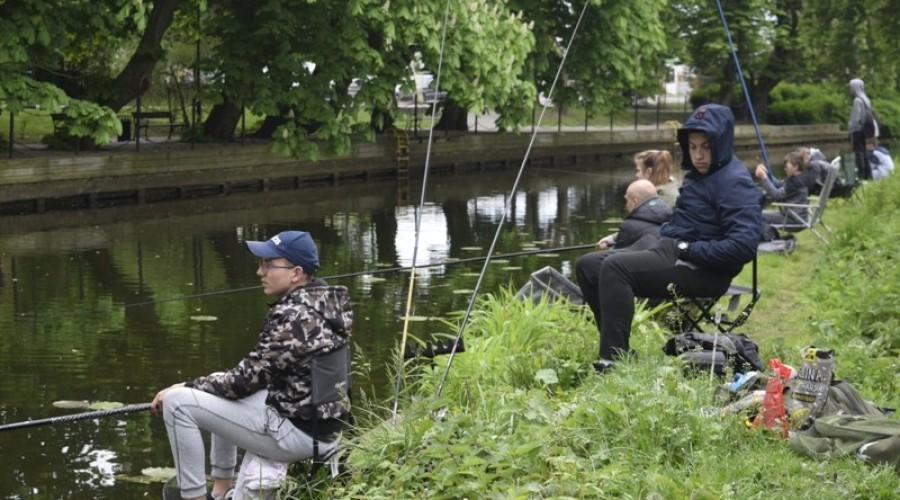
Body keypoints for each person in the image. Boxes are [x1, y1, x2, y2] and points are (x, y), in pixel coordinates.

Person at [151, 231, 353, 500]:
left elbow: (242, 383)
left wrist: (185, 386)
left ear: (296, 273)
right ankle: (221, 490)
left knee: (178, 402)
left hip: (298, 435)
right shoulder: (321, 303)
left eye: (268, 264)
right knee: (217, 381)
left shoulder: (295, 318)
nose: (260, 272)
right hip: (316, 425)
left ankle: (194, 498)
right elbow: (247, 377)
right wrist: (204, 384)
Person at [576, 104, 761, 372]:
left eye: (706, 147)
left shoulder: (735, 182)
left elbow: (743, 247)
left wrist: (688, 248)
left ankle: (612, 363)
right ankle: (619, 348)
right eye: (693, 146)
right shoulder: (698, 176)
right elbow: (680, 223)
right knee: (588, 266)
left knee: (616, 268)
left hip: (704, 270)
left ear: (721, 144)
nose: (698, 155)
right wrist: (622, 238)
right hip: (670, 248)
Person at [594, 179, 673, 250]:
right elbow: (646, 229)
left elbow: (615, 257)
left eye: (627, 200)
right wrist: (612, 239)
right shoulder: (671, 216)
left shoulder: (629, 226)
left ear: (635, 202)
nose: (626, 206)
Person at [754, 150, 809, 227]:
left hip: (794, 219)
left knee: (759, 216)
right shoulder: (796, 178)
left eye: (787, 166)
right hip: (792, 215)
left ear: (796, 167)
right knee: (759, 214)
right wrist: (766, 173)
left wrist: (763, 177)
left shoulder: (796, 182)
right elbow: (777, 184)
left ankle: (769, 237)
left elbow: (777, 195)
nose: (785, 169)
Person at [848, 78, 875, 180]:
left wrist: (850, 128)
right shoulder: (866, 99)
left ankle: (861, 175)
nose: (850, 89)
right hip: (864, 130)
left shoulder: (857, 100)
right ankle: (868, 174)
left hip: (858, 130)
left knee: (858, 152)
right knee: (864, 152)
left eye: (851, 87)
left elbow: (856, 117)